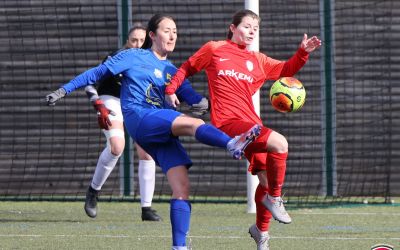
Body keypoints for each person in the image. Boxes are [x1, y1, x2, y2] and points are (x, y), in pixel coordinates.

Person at [46, 13, 261, 250]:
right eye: (166, 30)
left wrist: (209, 102)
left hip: (160, 130)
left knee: (181, 186)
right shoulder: (133, 56)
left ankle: (179, 247)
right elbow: (96, 74)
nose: (172, 35)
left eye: (175, 31)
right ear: (152, 35)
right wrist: (63, 90)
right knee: (190, 124)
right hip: (141, 118)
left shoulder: (171, 70)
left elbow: (194, 98)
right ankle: (232, 144)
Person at [165, 9, 321, 250]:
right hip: (228, 124)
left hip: (251, 126)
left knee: (266, 180)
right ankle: (276, 199)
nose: (251, 31)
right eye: (247, 26)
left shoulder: (257, 60)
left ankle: (261, 232)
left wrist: (303, 53)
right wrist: (171, 89)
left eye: (255, 28)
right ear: (233, 28)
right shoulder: (214, 49)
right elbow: (186, 68)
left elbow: (286, 70)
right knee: (280, 143)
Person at [83, 24, 164, 221]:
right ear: (127, 41)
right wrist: (98, 103)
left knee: (147, 151)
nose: (137, 44)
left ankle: (146, 208)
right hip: (112, 100)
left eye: (141, 41)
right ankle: (93, 191)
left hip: (137, 105)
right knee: (117, 147)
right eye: (133, 40)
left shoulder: (152, 61)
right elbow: (90, 83)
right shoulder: (116, 57)